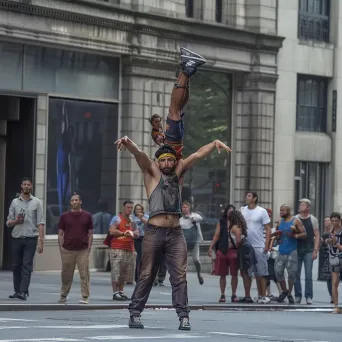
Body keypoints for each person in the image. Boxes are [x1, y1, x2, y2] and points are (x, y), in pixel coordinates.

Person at [115, 136, 231, 331]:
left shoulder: (179, 171)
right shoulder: (151, 172)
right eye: (163, 160)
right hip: (154, 232)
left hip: (176, 233)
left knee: (179, 276)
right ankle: (135, 313)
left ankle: (183, 316)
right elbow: (139, 154)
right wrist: (128, 143)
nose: (167, 163)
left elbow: (196, 155)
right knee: (147, 274)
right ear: (158, 162)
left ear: (174, 161)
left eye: (170, 159)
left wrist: (213, 144)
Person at [149, 47, 206, 160]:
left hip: (176, 144)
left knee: (178, 108)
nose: (158, 123)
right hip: (173, 144)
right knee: (174, 109)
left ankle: (187, 67)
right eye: (156, 122)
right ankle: (187, 68)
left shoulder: (156, 131)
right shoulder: (169, 169)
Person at [6, 177, 45, 300]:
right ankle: (17, 291)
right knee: (16, 265)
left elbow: (41, 222)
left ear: (31, 187)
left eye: (29, 184)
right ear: (21, 186)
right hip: (17, 237)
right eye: (24, 184)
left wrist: (41, 241)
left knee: (26, 265)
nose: (26, 186)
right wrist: (16, 221)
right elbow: (8, 222)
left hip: (30, 238)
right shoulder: (14, 202)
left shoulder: (37, 202)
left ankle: (23, 291)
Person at [57, 193, 93, 304]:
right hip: (67, 250)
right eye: (72, 200)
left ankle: (85, 297)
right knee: (66, 274)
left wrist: (89, 248)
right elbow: (60, 233)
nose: (74, 202)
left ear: (80, 201)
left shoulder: (87, 216)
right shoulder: (64, 216)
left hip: (82, 249)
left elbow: (90, 233)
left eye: (76, 200)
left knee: (84, 274)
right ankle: (63, 295)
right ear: (70, 202)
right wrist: (61, 248)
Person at [105, 201, 139, 300]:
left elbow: (136, 232)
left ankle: (121, 291)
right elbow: (112, 231)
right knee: (116, 271)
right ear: (123, 207)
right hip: (117, 248)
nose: (130, 209)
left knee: (124, 272)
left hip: (129, 248)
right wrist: (124, 233)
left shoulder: (132, 220)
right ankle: (115, 292)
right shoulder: (117, 218)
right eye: (128, 207)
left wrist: (135, 234)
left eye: (131, 208)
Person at [240, 192, 271, 304]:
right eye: (246, 195)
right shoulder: (242, 210)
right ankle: (250, 295)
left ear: (254, 198)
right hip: (246, 246)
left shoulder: (262, 211)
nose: (246, 197)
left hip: (259, 245)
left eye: (248, 196)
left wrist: (267, 245)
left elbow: (268, 229)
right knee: (248, 272)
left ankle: (263, 295)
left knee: (261, 272)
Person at [274, 205, 306, 304]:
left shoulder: (295, 221)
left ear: (288, 211)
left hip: (292, 251)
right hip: (281, 250)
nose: (281, 212)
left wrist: (295, 235)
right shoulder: (279, 222)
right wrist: (277, 236)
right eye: (280, 210)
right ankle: (284, 291)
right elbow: (277, 237)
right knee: (278, 271)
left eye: (283, 210)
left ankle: (289, 294)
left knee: (292, 274)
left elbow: (304, 234)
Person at [208, 204, 240, 303]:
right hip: (222, 249)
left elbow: (240, 236)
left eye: (232, 211)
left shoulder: (237, 223)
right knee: (222, 274)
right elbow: (217, 235)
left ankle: (234, 294)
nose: (230, 213)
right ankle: (222, 294)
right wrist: (211, 247)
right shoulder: (222, 222)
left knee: (234, 274)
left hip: (233, 250)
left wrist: (238, 250)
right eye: (229, 210)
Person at [294, 198, 320, 304]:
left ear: (308, 207)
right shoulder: (295, 218)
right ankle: (297, 295)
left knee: (308, 274)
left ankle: (308, 296)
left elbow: (317, 235)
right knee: (296, 273)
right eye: (300, 204)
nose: (301, 206)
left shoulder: (313, 219)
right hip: (297, 249)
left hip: (309, 249)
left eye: (303, 204)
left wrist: (315, 250)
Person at [180, 201, 204, 285]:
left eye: (186, 207)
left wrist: (190, 217)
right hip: (183, 244)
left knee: (196, 260)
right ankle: (183, 279)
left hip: (194, 243)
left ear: (189, 208)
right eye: (183, 207)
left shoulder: (194, 216)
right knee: (183, 262)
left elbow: (200, 218)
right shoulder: (180, 219)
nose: (185, 209)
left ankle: (199, 274)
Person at [323, 212, 342, 314]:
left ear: (340, 221)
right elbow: (330, 244)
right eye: (333, 221)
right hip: (334, 258)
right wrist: (329, 241)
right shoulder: (331, 231)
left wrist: (336, 243)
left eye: (336, 221)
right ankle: (336, 306)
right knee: (334, 283)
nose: (334, 223)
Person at [132, 204, 149, 282]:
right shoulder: (132, 217)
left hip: (145, 238)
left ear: (142, 210)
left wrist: (141, 217)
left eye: (139, 209)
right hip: (137, 238)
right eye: (136, 209)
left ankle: (144, 276)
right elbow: (131, 227)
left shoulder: (146, 216)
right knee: (139, 256)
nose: (138, 211)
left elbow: (148, 224)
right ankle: (137, 277)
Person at [321, 216, 333, 302]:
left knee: (335, 278)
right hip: (327, 258)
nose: (327, 222)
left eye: (328, 221)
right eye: (325, 221)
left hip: (337, 257)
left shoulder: (337, 232)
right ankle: (332, 296)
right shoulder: (324, 235)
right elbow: (321, 245)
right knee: (329, 278)